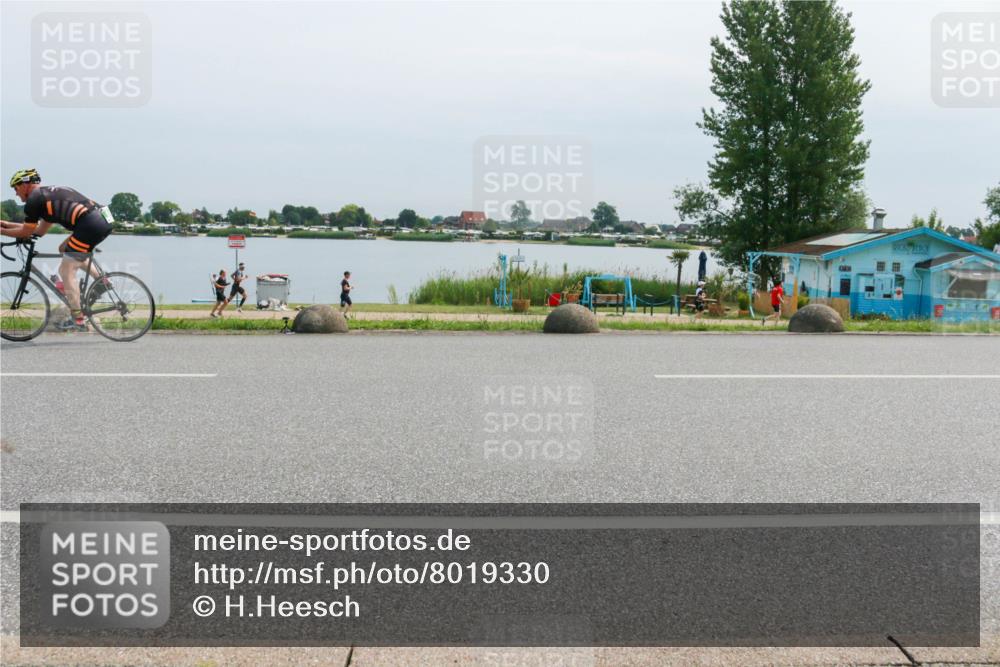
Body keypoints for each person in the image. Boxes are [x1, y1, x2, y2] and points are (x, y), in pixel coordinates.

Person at [1, 169, 112, 330]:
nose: (16, 194)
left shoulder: (34, 201)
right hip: (104, 216)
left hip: (91, 223)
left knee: (66, 271)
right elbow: (39, 231)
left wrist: (2, 231)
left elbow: (26, 232)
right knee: (63, 248)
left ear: (25, 184)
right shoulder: (45, 198)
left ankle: (78, 318)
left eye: (16, 189)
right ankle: (102, 281)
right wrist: (6, 224)